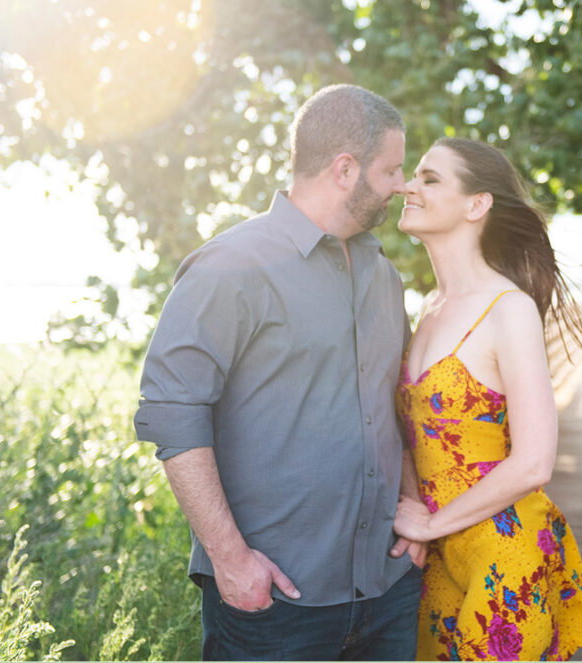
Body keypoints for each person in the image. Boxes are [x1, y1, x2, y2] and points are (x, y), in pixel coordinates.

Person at [133, 84, 426, 661]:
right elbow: (172, 415)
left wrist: (413, 509)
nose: (402, 185)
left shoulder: (383, 275)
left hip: (388, 591)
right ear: (346, 169)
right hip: (274, 605)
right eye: (392, 170)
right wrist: (229, 559)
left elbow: (398, 403)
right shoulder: (229, 267)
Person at [391, 137, 582, 661]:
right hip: (439, 555)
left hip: (502, 548)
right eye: (413, 175)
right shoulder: (428, 306)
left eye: (429, 178)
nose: (408, 186)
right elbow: (410, 435)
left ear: (477, 204)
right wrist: (419, 516)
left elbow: (535, 461)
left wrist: (429, 523)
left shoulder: (508, 309)